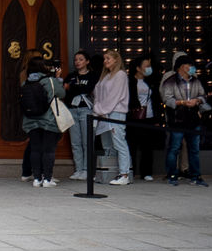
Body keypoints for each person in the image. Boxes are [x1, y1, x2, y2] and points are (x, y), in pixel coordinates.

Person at [161, 54, 210, 187]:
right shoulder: (170, 81)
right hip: (177, 119)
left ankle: (196, 176)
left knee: (194, 149)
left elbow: (203, 95)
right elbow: (167, 99)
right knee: (174, 148)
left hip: (193, 120)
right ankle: (172, 175)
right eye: (190, 65)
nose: (192, 68)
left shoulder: (196, 81)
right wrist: (182, 102)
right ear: (182, 67)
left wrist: (197, 100)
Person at [20, 57, 64, 188]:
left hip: (31, 121)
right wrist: (58, 79)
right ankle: (47, 179)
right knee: (48, 150)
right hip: (48, 120)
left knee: (35, 149)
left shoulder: (25, 83)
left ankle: (37, 179)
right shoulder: (49, 81)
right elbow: (61, 93)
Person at [92, 49, 132, 185]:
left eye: (108, 58)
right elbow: (97, 93)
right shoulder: (105, 76)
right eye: (104, 59)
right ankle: (111, 172)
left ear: (116, 60)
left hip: (116, 112)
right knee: (107, 145)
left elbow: (114, 96)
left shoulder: (120, 75)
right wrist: (99, 108)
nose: (105, 61)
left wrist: (100, 109)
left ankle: (124, 174)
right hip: (103, 112)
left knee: (119, 142)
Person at [65, 50, 98, 179]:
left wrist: (73, 87)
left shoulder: (93, 76)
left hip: (86, 110)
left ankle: (87, 169)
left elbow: (88, 89)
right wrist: (75, 88)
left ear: (87, 61)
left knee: (87, 141)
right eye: (76, 60)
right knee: (75, 142)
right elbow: (65, 91)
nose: (77, 62)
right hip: (72, 110)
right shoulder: (71, 76)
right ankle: (78, 169)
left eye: (81, 59)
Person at [129, 53, 158, 181]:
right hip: (134, 117)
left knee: (147, 146)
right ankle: (131, 170)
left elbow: (155, 99)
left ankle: (146, 172)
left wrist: (157, 118)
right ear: (138, 68)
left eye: (149, 66)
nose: (149, 68)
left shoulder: (150, 81)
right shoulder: (130, 81)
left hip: (149, 116)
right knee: (132, 145)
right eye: (146, 66)